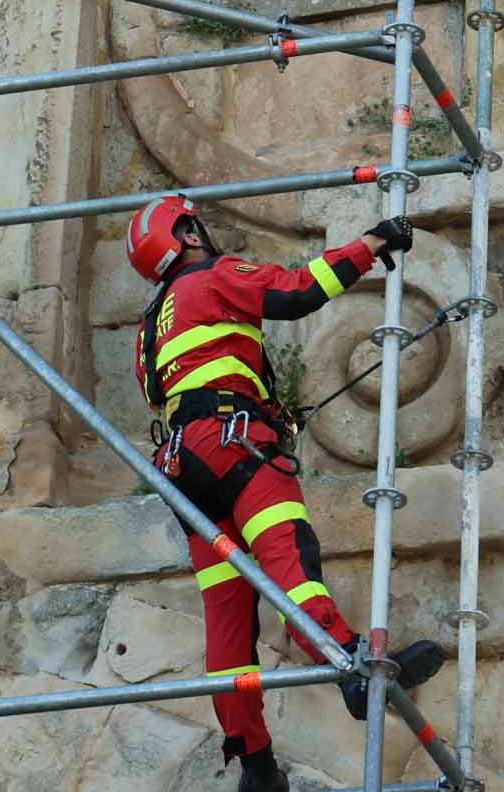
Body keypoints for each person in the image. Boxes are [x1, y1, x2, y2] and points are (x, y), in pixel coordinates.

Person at [127, 193, 449, 792]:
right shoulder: (214, 276)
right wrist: (374, 243)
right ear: (188, 233)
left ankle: (255, 764)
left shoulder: (150, 330)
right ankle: (352, 668)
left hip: (182, 472)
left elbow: (175, 387)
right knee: (287, 561)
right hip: (236, 445)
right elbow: (298, 291)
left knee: (227, 615)